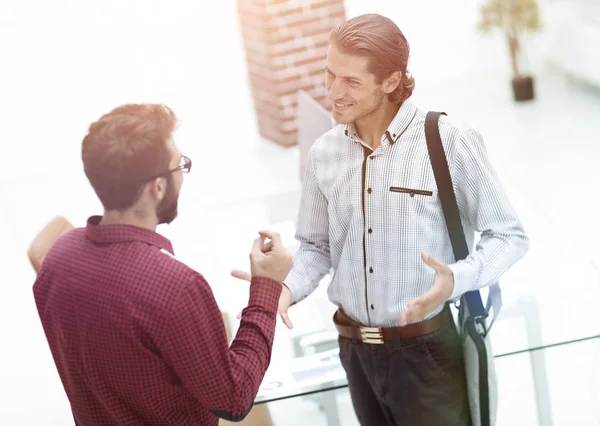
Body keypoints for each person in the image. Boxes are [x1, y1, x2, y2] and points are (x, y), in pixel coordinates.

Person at [233, 13, 530, 426]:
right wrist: (283, 288)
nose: (334, 93)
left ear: (391, 81)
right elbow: (317, 247)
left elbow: (508, 235)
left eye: (351, 82)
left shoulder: (448, 141)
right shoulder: (325, 154)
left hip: (427, 354)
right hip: (355, 353)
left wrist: (458, 278)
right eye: (329, 75)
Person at [32, 104, 293, 426]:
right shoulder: (175, 286)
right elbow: (234, 399)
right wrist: (266, 288)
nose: (182, 177)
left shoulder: (59, 258)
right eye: (179, 167)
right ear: (156, 186)